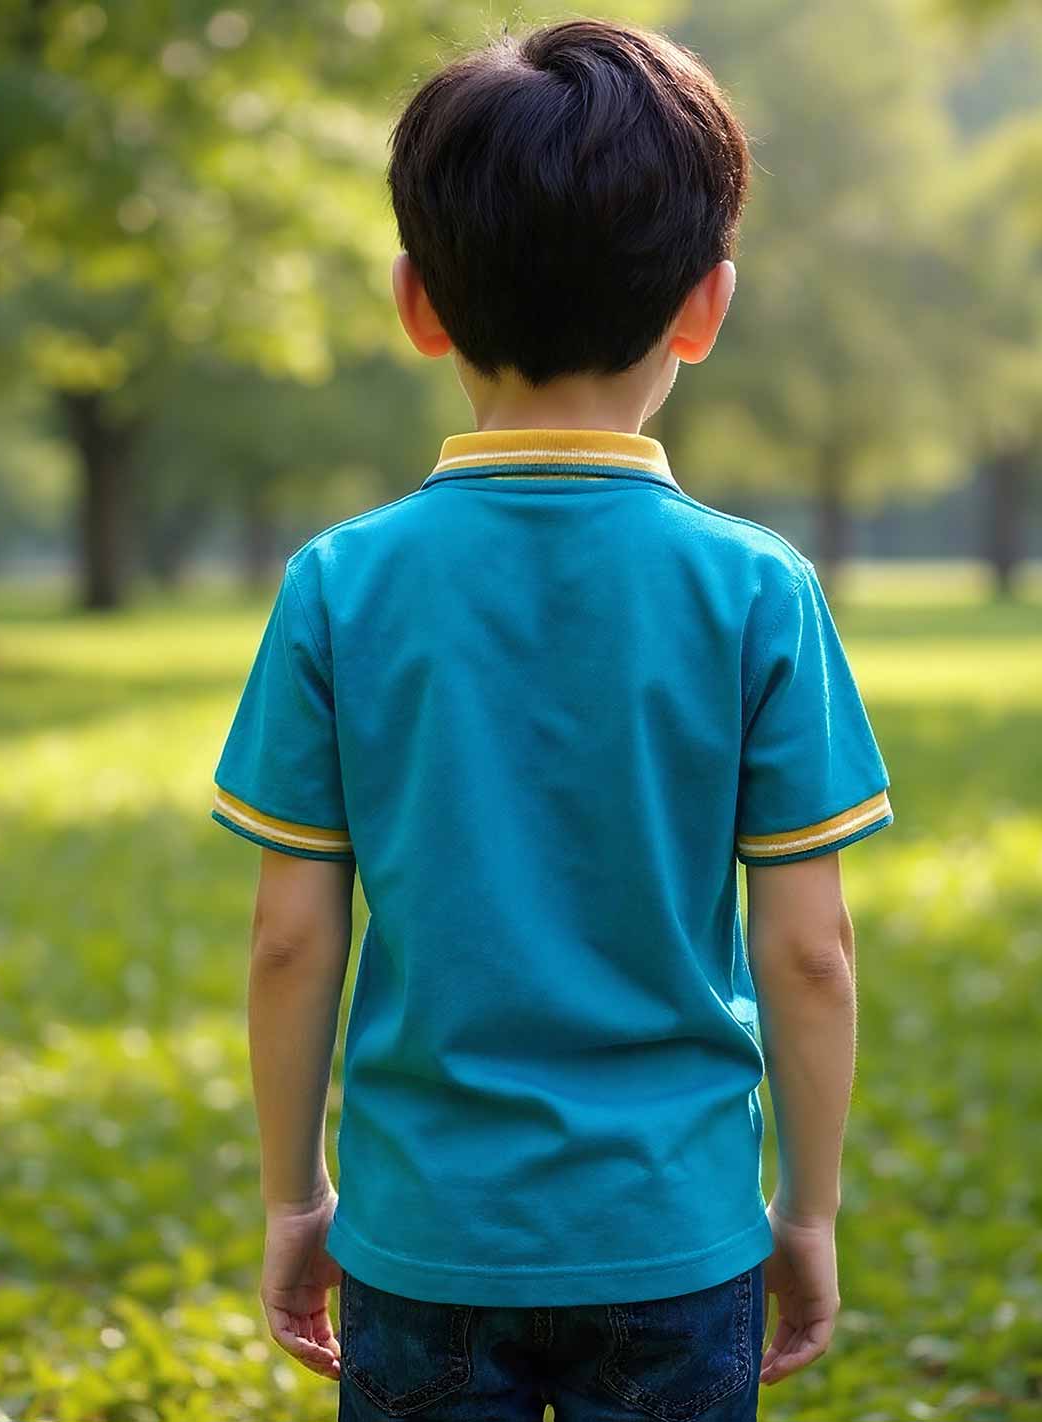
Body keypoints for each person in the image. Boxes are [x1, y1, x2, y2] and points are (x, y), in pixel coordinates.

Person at [209, 17, 894, 1420]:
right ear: (706, 306)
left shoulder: (338, 584)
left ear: (417, 301)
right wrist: (806, 1213)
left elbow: (290, 935)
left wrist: (297, 1196)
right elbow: (810, 951)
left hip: (418, 1235)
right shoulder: (757, 589)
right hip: (675, 1233)